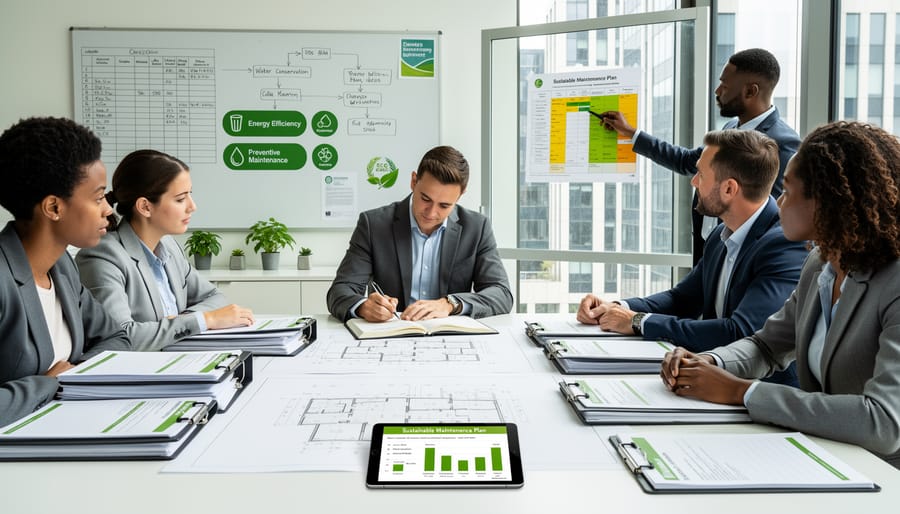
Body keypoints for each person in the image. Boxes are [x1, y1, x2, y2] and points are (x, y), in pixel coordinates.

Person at [660, 121, 900, 468]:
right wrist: (711, 363)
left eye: (786, 191)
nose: (777, 201)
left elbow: (884, 422)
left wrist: (740, 391)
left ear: (828, 202)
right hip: (828, 458)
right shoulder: (819, 264)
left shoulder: (893, 283)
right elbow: (766, 345)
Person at [577, 130, 806, 386]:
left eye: (701, 175)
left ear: (729, 188)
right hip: (708, 379)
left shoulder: (784, 244)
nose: (693, 182)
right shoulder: (722, 232)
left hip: (759, 394)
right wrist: (618, 307)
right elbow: (682, 299)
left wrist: (639, 322)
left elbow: (739, 332)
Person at [600, 48, 801, 265]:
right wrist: (630, 133)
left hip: (743, 261)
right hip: (709, 252)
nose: (717, 90)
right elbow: (688, 161)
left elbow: (777, 219)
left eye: (725, 85)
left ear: (751, 92)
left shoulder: (783, 145)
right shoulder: (731, 128)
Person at [0, 117, 131, 426]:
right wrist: (48, 384)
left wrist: (75, 373)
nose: (108, 210)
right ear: (54, 208)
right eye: (98, 197)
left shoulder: (61, 267)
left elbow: (115, 337)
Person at [76, 149, 254, 351]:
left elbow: (215, 296)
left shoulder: (168, 246)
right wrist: (204, 320)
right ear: (145, 207)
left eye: (190, 195)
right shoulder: (103, 256)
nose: (192, 206)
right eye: (180, 199)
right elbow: (119, 337)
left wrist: (180, 322)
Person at [327, 145, 513, 322]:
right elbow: (340, 290)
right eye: (425, 199)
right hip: (392, 335)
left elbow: (501, 293)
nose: (431, 213)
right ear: (413, 181)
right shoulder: (374, 225)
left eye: (444, 205)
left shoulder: (477, 228)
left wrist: (451, 304)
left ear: (460, 195)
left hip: (451, 336)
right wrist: (362, 306)